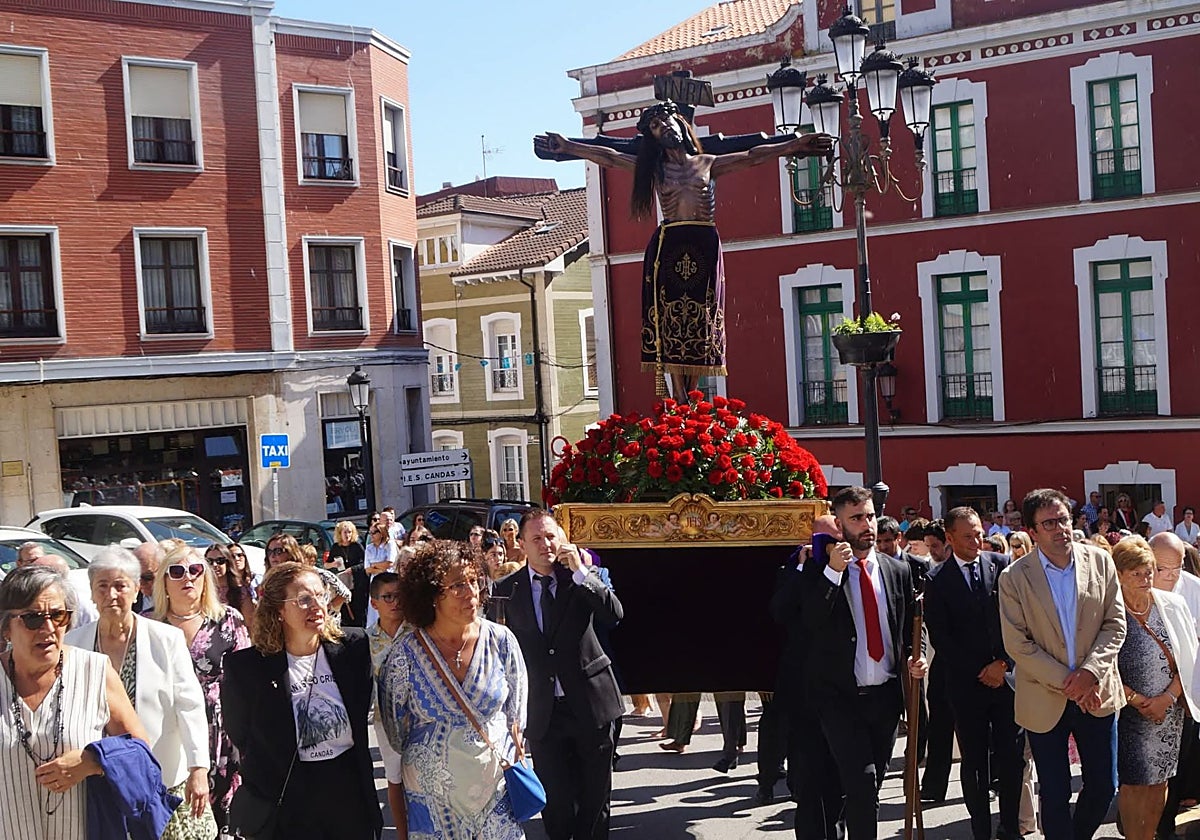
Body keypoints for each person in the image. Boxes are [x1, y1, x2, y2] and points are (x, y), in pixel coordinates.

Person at [538, 103, 831, 397]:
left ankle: (692, 393)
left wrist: (792, 145)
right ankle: (679, 396)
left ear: (681, 124)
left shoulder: (708, 163)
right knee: (671, 320)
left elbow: (753, 156)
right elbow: (611, 157)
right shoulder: (654, 169)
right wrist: (569, 146)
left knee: (702, 318)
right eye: (654, 126)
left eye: (666, 120)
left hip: (704, 243)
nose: (663, 126)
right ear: (652, 137)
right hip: (670, 244)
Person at [998, 488, 1127, 840]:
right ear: (1032, 530)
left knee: (1103, 786)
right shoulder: (1014, 578)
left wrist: (1089, 673)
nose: (1061, 529)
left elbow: (1115, 623)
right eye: (1049, 523)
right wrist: (1070, 683)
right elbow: (1018, 645)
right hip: (1044, 699)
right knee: (1055, 793)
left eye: (1064, 519)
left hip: (1097, 693)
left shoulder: (1100, 562)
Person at [801, 486, 927, 840]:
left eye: (869, 515)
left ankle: (839, 826)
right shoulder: (819, 571)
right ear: (840, 526)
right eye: (856, 518)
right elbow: (809, 621)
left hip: (884, 698)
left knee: (869, 784)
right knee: (863, 781)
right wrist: (833, 573)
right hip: (839, 697)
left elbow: (910, 626)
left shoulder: (896, 570)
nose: (866, 524)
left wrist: (918, 657)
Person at [488, 509, 623, 840]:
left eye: (551, 536)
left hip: (591, 706)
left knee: (595, 800)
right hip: (544, 714)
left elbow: (613, 614)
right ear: (520, 544)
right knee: (556, 803)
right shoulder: (505, 589)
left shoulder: (581, 578)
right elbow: (496, 654)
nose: (545, 544)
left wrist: (579, 572)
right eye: (536, 538)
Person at [221, 562, 381, 839]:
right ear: (279, 610)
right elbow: (241, 733)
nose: (318, 606)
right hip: (287, 796)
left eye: (321, 595)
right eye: (304, 599)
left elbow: (360, 707)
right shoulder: (247, 668)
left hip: (347, 789)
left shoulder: (353, 648)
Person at [379, 542, 528, 839]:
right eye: (457, 585)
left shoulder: (501, 640)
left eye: (474, 581)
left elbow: (517, 716)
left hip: (495, 793)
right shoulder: (404, 656)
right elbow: (394, 731)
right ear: (432, 595)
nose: (471, 592)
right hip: (434, 801)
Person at [65, 545, 215, 836]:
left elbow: (190, 704)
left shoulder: (166, 638)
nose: (111, 595)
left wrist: (198, 768)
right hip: (102, 781)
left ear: (136, 591)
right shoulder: (73, 643)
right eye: (103, 586)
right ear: (92, 594)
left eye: (120, 586)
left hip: (163, 775)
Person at [0, 565, 149, 838]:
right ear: (6, 628)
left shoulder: (95, 671)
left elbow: (141, 751)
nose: (48, 628)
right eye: (33, 618)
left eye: (58, 615)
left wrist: (94, 761)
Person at [923, 507, 1023, 840]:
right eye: (967, 536)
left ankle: (1010, 826)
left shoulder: (1001, 566)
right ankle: (981, 828)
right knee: (975, 761)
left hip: (1006, 680)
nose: (976, 540)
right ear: (949, 538)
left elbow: (1016, 621)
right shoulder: (937, 579)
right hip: (966, 685)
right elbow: (942, 638)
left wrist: (1003, 664)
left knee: (1010, 759)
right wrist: (981, 670)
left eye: (979, 533)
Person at [155, 542, 251, 832]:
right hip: (168, 733)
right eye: (177, 571)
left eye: (196, 570)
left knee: (224, 818)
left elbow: (246, 682)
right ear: (164, 582)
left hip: (222, 732)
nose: (188, 577)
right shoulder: (148, 624)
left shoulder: (228, 620)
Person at [1112, 536, 1199, 840]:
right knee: (1134, 784)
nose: (1145, 578)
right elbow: (1101, 664)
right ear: (1119, 573)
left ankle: (1148, 837)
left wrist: (1169, 696)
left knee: (1160, 782)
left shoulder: (1172, 604)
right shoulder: (1108, 611)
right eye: (1136, 573)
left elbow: (1189, 659)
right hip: (1129, 715)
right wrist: (1137, 700)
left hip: (1168, 713)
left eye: (1149, 571)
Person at [768, 513, 847, 836]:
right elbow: (781, 612)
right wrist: (802, 567)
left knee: (843, 777)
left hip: (842, 689)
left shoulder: (850, 569)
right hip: (803, 690)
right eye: (821, 541)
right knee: (809, 777)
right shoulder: (793, 571)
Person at [1150, 531, 1200, 840]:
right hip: (1145, 697)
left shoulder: (1195, 590)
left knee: (1180, 766)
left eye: (1176, 567)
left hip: (1188, 696)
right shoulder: (1134, 588)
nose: (1169, 576)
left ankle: (1166, 827)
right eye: (1161, 568)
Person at [365, 572, 408, 830]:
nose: (395, 602)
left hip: (423, 719)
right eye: (387, 597)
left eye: (399, 596)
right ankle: (402, 833)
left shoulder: (420, 631)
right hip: (386, 721)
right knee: (395, 779)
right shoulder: (366, 639)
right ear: (374, 603)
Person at [205, 542, 255, 634]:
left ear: (228, 564)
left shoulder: (240, 592)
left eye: (220, 561)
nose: (215, 565)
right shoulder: (202, 591)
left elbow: (250, 623)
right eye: (210, 561)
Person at [132, 540, 163, 615]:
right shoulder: (128, 595)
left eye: (147, 577)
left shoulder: (175, 597)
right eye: (136, 577)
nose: (141, 583)